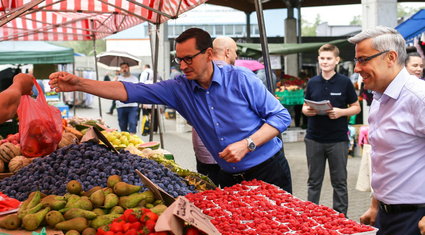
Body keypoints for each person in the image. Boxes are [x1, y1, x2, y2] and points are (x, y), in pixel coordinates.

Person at [49, 28, 292, 192]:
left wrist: (247, 143)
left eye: (189, 59)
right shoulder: (179, 89)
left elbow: (281, 116)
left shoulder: (240, 78)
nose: (183, 66)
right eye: (179, 59)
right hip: (228, 177)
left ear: (208, 54)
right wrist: (80, 84)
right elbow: (129, 90)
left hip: (268, 169)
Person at [348, 26, 425, 235]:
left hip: (416, 221)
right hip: (386, 216)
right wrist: (375, 204)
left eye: (362, 59)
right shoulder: (380, 98)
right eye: (356, 60)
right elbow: (384, 156)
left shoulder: (417, 98)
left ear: (390, 57)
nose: (357, 68)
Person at [302, 44, 360, 216]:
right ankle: (311, 216)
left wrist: (342, 112)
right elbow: (305, 107)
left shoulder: (345, 82)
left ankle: (342, 217)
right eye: (322, 58)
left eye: (328, 58)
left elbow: (356, 107)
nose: (325, 62)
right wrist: (307, 110)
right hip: (314, 139)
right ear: (318, 60)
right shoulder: (312, 82)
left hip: (338, 140)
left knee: (340, 182)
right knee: (313, 181)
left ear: (336, 60)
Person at [191, 36, 238, 185]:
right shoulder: (236, 77)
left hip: (204, 152)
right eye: (235, 51)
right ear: (228, 52)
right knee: (233, 199)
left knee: (209, 197)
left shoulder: (195, 77)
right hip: (231, 153)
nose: (236, 56)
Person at [115, 63, 139, 134]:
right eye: (122, 68)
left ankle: (133, 140)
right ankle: (125, 141)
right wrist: (114, 82)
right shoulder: (118, 79)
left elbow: (136, 90)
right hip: (120, 105)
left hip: (132, 105)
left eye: (126, 67)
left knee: (132, 123)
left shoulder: (134, 79)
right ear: (120, 69)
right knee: (122, 125)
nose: (124, 69)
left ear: (129, 68)